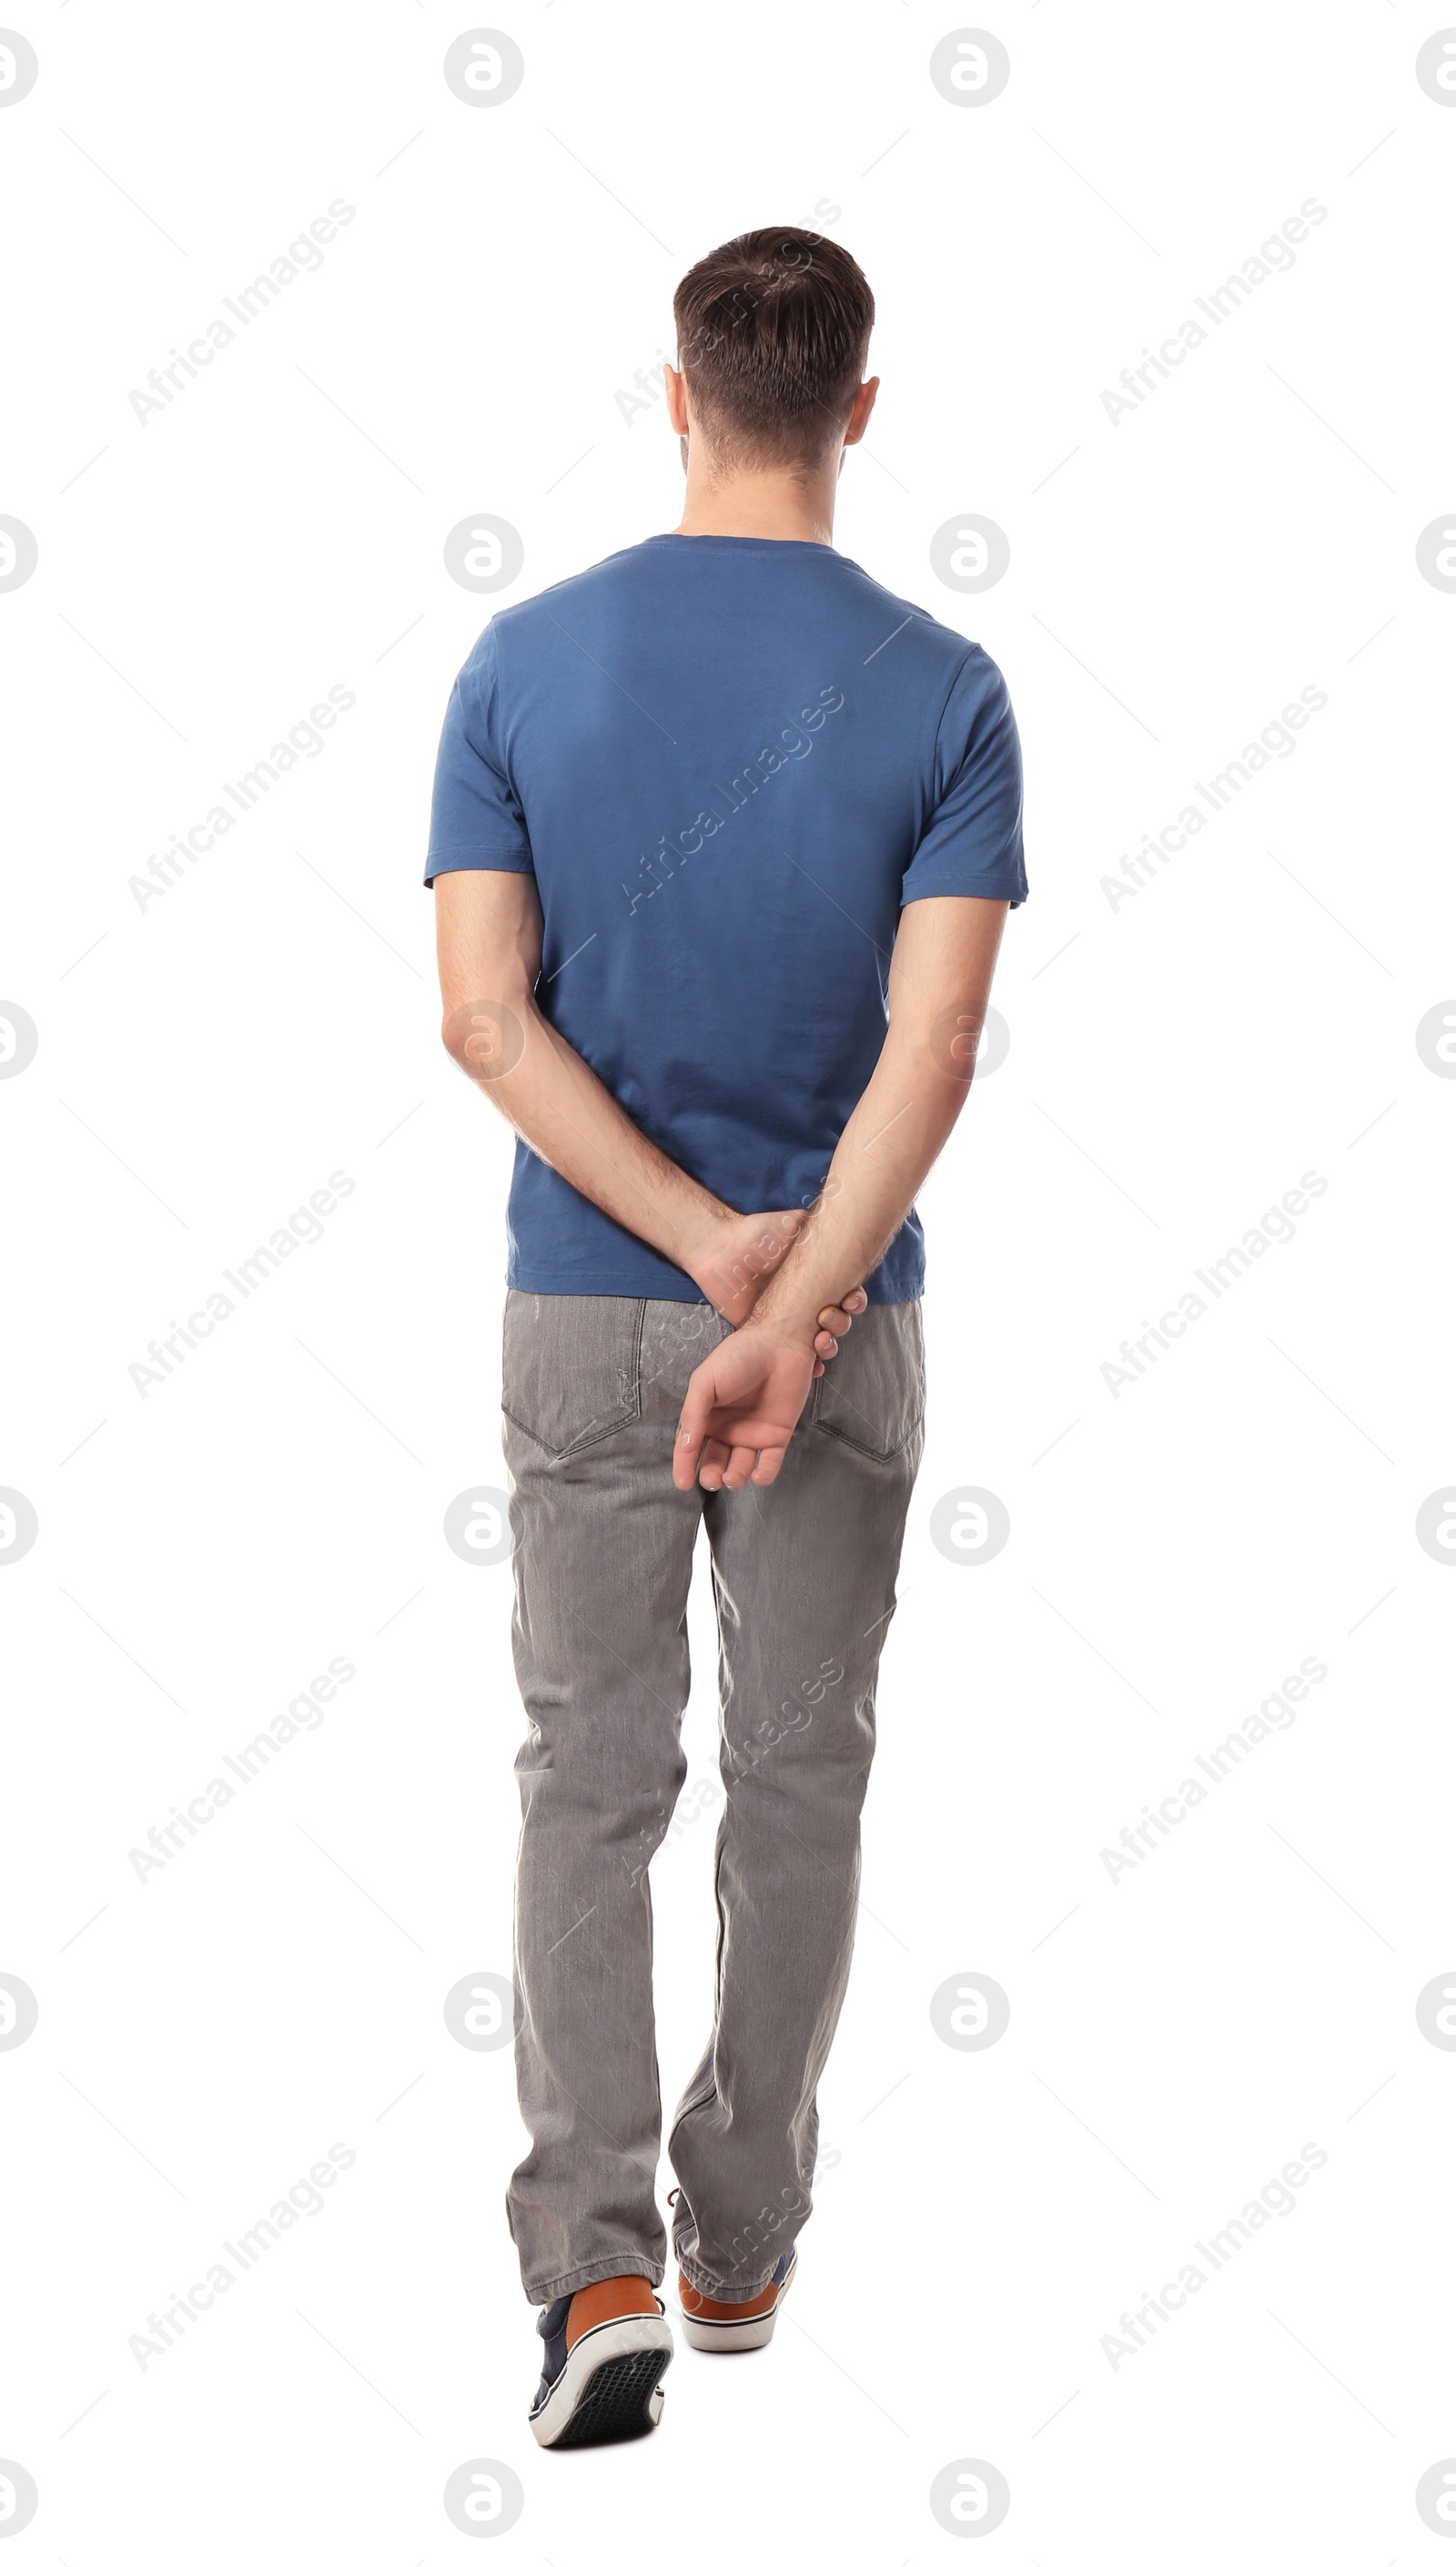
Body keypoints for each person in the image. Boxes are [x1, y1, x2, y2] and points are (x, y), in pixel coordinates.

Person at [426, 226, 1026, 2449]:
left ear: (672, 396)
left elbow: (481, 1016)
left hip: (587, 1302)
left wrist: (688, 1246)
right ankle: (739, 2238)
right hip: (842, 1325)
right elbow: (935, 1044)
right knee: (800, 1776)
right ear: (857, 411)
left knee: (588, 1778)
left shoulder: (520, 659)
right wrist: (791, 1294)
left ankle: (588, 2267)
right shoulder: (946, 683)